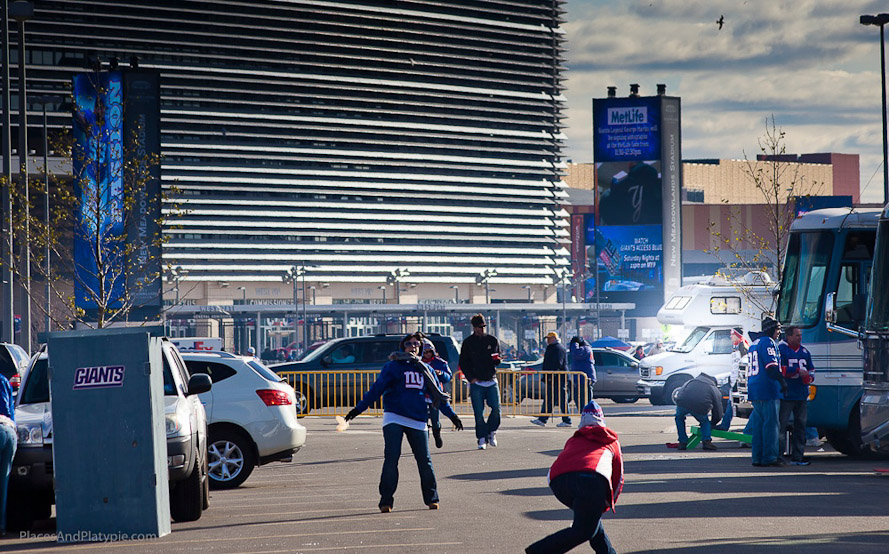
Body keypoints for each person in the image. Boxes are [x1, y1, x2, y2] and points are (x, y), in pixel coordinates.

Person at [345, 333, 462, 512]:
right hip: (395, 417)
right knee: (391, 459)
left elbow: (437, 396)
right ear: (403, 347)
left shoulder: (426, 369)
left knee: (425, 461)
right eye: (409, 344)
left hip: (418, 419)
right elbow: (376, 390)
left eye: (416, 344)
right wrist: (358, 409)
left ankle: (432, 498)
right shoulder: (393, 366)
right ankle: (386, 501)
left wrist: (453, 416)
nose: (413, 346)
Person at [525, 401, 622, 554]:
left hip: (558, 480)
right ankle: (539, 551)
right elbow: (618, 477)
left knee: (590, 519)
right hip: (591, 480)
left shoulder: (574, 438)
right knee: (585, 529)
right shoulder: (612, 441)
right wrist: (609, 502)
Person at [747, 316, 787, 467]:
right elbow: (771, 367)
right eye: (777, 329)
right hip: (767, 388)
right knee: (771, 425)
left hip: (754, 388)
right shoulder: (768, 342)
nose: (779, 332)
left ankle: (757, 457)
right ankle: (770, 457)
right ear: (771, 329)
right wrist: (782, 382)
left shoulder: (754, 343)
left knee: (758, 425)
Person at [458, 314, 502, 449]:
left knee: (496, 409)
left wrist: (497, 360)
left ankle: (491, 431)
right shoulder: (468, 343)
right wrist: (471, 378)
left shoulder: (492, 340)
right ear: (474, 327)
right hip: (476, 383)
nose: (481, 329)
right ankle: (481, 438)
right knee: (478, 413)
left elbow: (498, 358)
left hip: (491, 380)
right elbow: (463, 363)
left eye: (483, 326)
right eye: (479, 327)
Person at [778, 326, 814, 466]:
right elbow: (780, 370)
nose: (800, 337)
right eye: (797, 335)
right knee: (781, 426)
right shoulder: (781, 350)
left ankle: (798, 456)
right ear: (789, 336)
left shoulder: (805, 352)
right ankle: (778, 456)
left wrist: (808, 378)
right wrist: (796, 371)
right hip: (786, 395)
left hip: (801, 394)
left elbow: (812, 370)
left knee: (801, 427)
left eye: (800, 335)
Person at [674, 373, 724, 451]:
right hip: (700, 405)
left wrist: (679, 402)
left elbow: (680, 392)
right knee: (704, 422)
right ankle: (706, 441)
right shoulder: (713, 388)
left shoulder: (691, 381)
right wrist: (713, 423)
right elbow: (718, 409)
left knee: (679, 418)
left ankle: (682, 442)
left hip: (683, 402)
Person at [532, 332, 572, 427]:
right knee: (550, 399)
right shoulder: (552, 348)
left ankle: (567, 420)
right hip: (553, 377)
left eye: (549, 338)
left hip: (558, 378)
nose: (548, 340)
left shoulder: (558, 348)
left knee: (561, 399)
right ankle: (542, 419)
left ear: (554, 338)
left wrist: (551, 376)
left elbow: (558, 363)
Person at [421, 338, 453, 449]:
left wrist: (441, 374)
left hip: (435, 395)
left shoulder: (440, 362)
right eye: (425, 352)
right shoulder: (417, 362)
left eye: (429, 352)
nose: (427, 354)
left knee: (435, 420)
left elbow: (448, 376)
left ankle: (437, 434)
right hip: (421, 395)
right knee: (422, 421)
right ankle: (424, 442)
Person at [0, 372, 15, 535]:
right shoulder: (3, 380)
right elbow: (7, 409)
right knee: (3, 481)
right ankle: (1, 526)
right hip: (9, 430)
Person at [569, 336, 596, 412]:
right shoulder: (587, 348)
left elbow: (576, 353)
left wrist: (575, 343)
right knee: (580, 398)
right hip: (582, 378)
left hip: (584, 378)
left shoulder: (585, 349)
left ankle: (586, 413)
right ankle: (584, 413)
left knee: (583, 399)